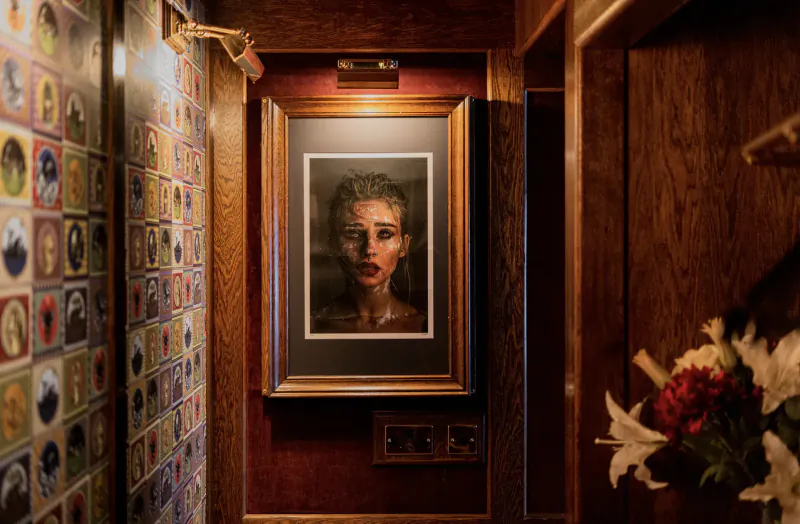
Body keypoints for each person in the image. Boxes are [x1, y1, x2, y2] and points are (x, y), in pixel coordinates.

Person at [311, 171, 426, 334]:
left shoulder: (425, 327)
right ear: (333, 244)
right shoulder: (312, 327)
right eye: (354, 234)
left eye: (385, 233)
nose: (369, 250)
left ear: (403, 245)